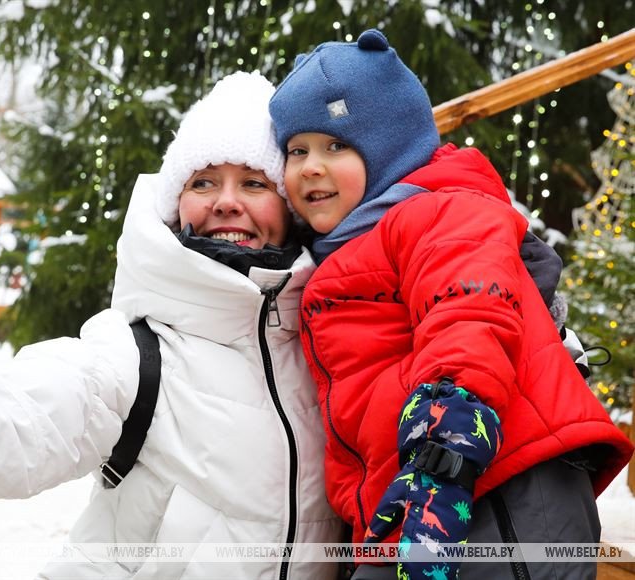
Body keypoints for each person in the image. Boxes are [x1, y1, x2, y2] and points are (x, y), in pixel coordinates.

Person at [0, 72, 342, 578]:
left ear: (290, 207)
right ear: (175, 203)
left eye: (254, 183)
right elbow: (19, 427)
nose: (225, 201)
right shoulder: (136, 352)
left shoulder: (335, 347)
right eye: (203, 182)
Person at [268, 29, 633, 580]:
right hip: (416, 505)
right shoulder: (339, 255)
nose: (311, 166)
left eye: (336, 145)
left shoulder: (438, 211)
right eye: (297, 150)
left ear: (389, 144)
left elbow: (470, 312)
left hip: (489, 490)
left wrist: (448, 443)